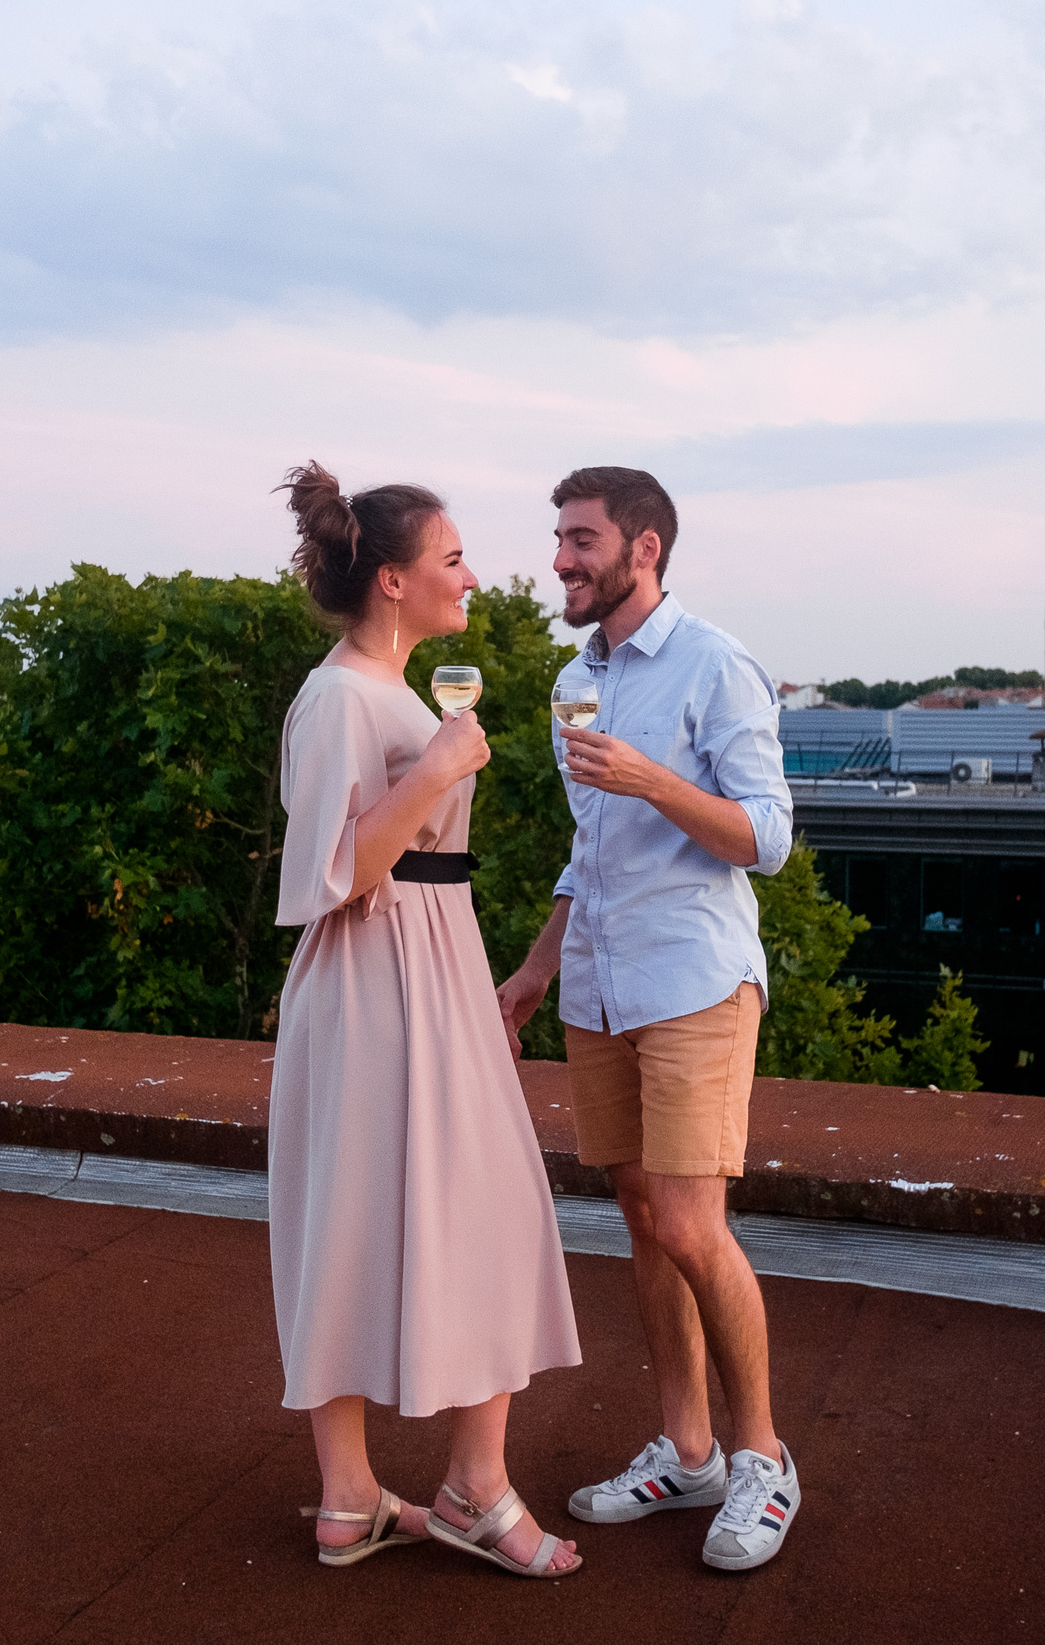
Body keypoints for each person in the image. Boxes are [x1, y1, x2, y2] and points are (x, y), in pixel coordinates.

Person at [268, 461, 584, 1579]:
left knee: (428, 1212)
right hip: (373, 977)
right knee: (386, 1219)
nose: (473, 576)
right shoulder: (341, 697)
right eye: (453, 559)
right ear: (393, 580)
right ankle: (463, 1493)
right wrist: (442, 766)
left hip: (428, 967)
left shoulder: (386, 690)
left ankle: (362, 1501)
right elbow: (335, 876)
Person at [495, 465, 802, 1572]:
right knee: (638, 1218)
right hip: (599, 982)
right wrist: (534, 970)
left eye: (580, 540)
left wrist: (653, 779)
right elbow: (591, 849)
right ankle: (688, 1451)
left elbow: (766, 837)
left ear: (645, 548)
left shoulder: (715, 665)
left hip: (692, 983)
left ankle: (763, 1459)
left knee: (687, 1223)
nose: (562, 560)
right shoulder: (572, 676)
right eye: (560, 539)